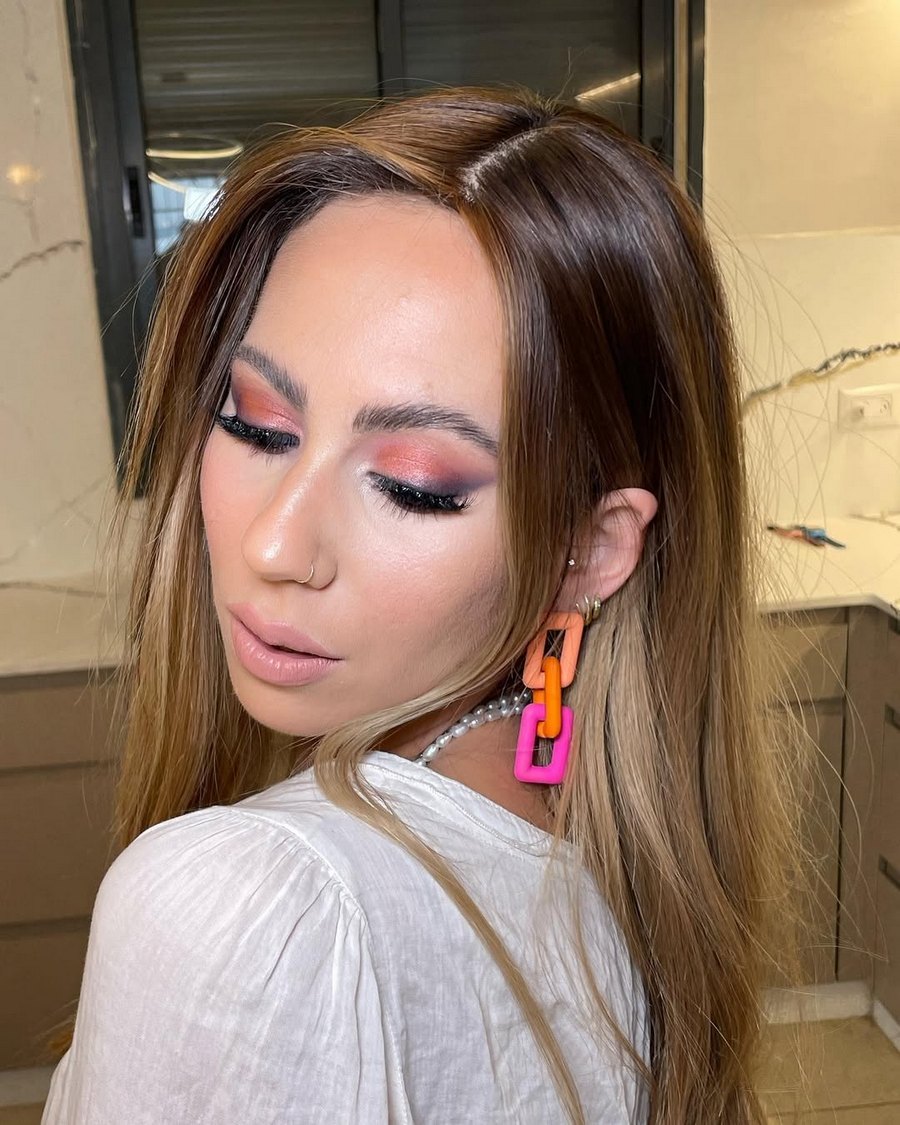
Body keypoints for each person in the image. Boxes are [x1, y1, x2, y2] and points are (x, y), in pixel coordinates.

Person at [41, 85, 802, 1124]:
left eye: (413, 486)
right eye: (256, 425)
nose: (273, 546)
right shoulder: (612, 857)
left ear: (589, 548)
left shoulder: (253, 906)